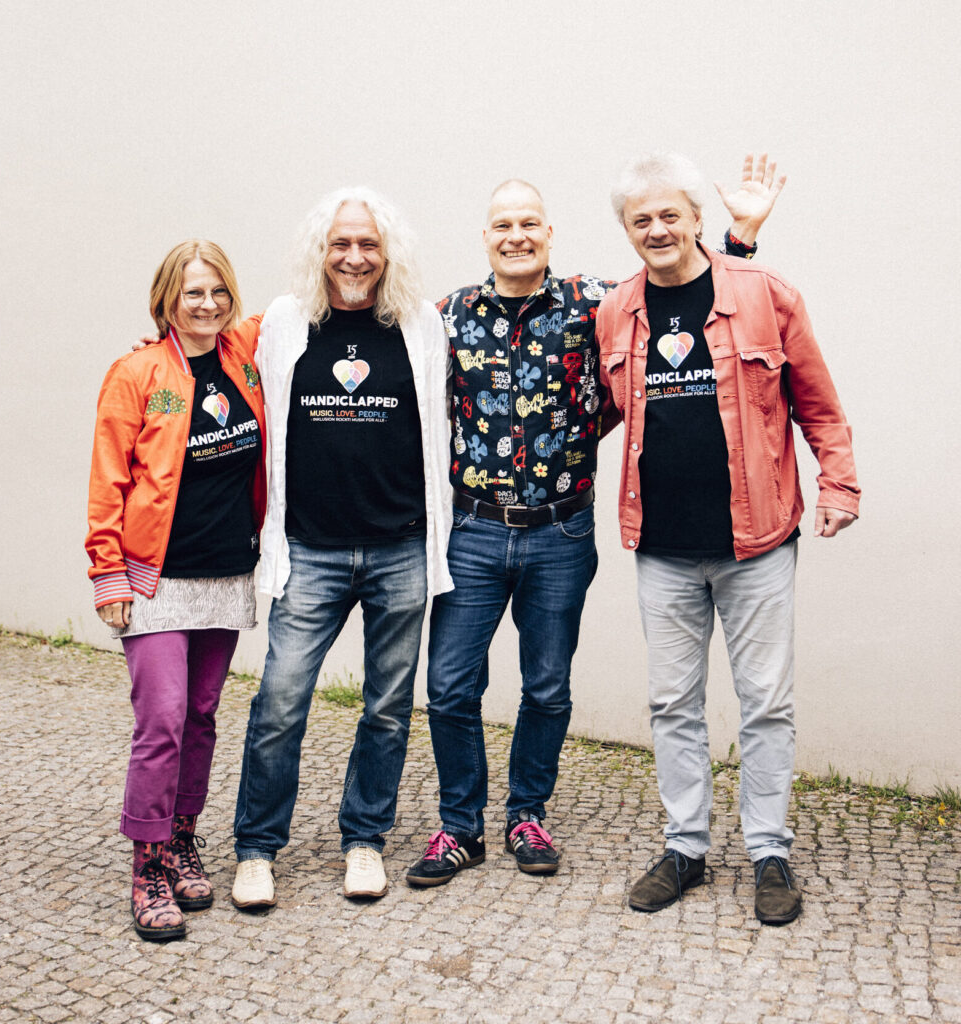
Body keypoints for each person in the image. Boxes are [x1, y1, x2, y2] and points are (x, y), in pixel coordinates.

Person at [407, 157, 784, 887]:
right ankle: (459, 827)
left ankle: (526, 814)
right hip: (473, 531)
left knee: (546, 685)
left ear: (549, 233)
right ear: (485, 237)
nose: (517, 237)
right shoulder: (445, 316)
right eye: (503, 227)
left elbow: (688, 297)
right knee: (451, 685)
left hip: (561, 531)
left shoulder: (594, 303)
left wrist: (739, 237)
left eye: (529, 225)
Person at [596, 152, 860, 925]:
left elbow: (819, 402)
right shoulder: (617, 311)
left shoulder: (762, 293)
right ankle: (686, 847)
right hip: (663, 549)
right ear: (626, 230)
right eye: (641, 219)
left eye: (670, 213)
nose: (657, 228)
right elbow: (606, 410)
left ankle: (769, 852)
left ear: (697, 218)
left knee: (765, 704)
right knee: (672, 701)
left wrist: (839, 484)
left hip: (758, 544)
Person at [229, 188, 453, 908]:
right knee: (280, 701)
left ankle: (364, 839)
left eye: (367, 244)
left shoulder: (420, 325)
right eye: (340, 244)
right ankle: (258, 849)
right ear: (319, 252)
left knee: (388, 707)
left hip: (402, 551)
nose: (354, 257)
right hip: (311, 553)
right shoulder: (286, 323)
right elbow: (208, 346)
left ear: (387, 253)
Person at [86, 240, 266, 941]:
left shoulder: (244, 357)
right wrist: (107, 574)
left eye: (218, 290)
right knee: (159, 721)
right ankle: (146, 862)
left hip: (225, 572)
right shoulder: (135, 373)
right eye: (193, 292)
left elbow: (304, 308)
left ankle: (183, 838)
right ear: (167, 297)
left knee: (200, 716)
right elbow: (109, 479)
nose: (207, 303)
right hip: (154, 578)